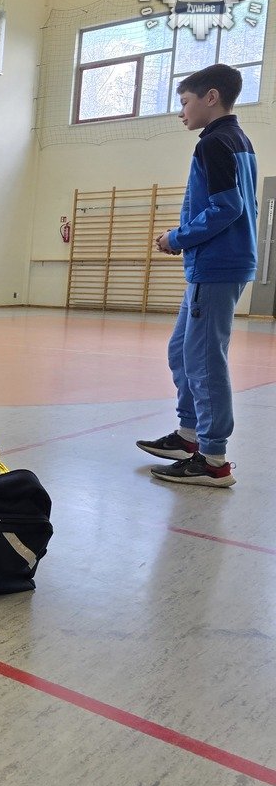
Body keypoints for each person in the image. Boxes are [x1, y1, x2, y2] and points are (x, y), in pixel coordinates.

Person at [137, 63, 257, 488]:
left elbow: (228, 207)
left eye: (185, 102)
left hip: (217, 265)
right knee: (182, 351)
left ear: (211, 97)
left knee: (205, 361)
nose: (181, 111)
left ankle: (213, 459)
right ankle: (189, 436)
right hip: (215, 264)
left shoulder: (215, 143)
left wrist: (178, 237)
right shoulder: (235, 139)